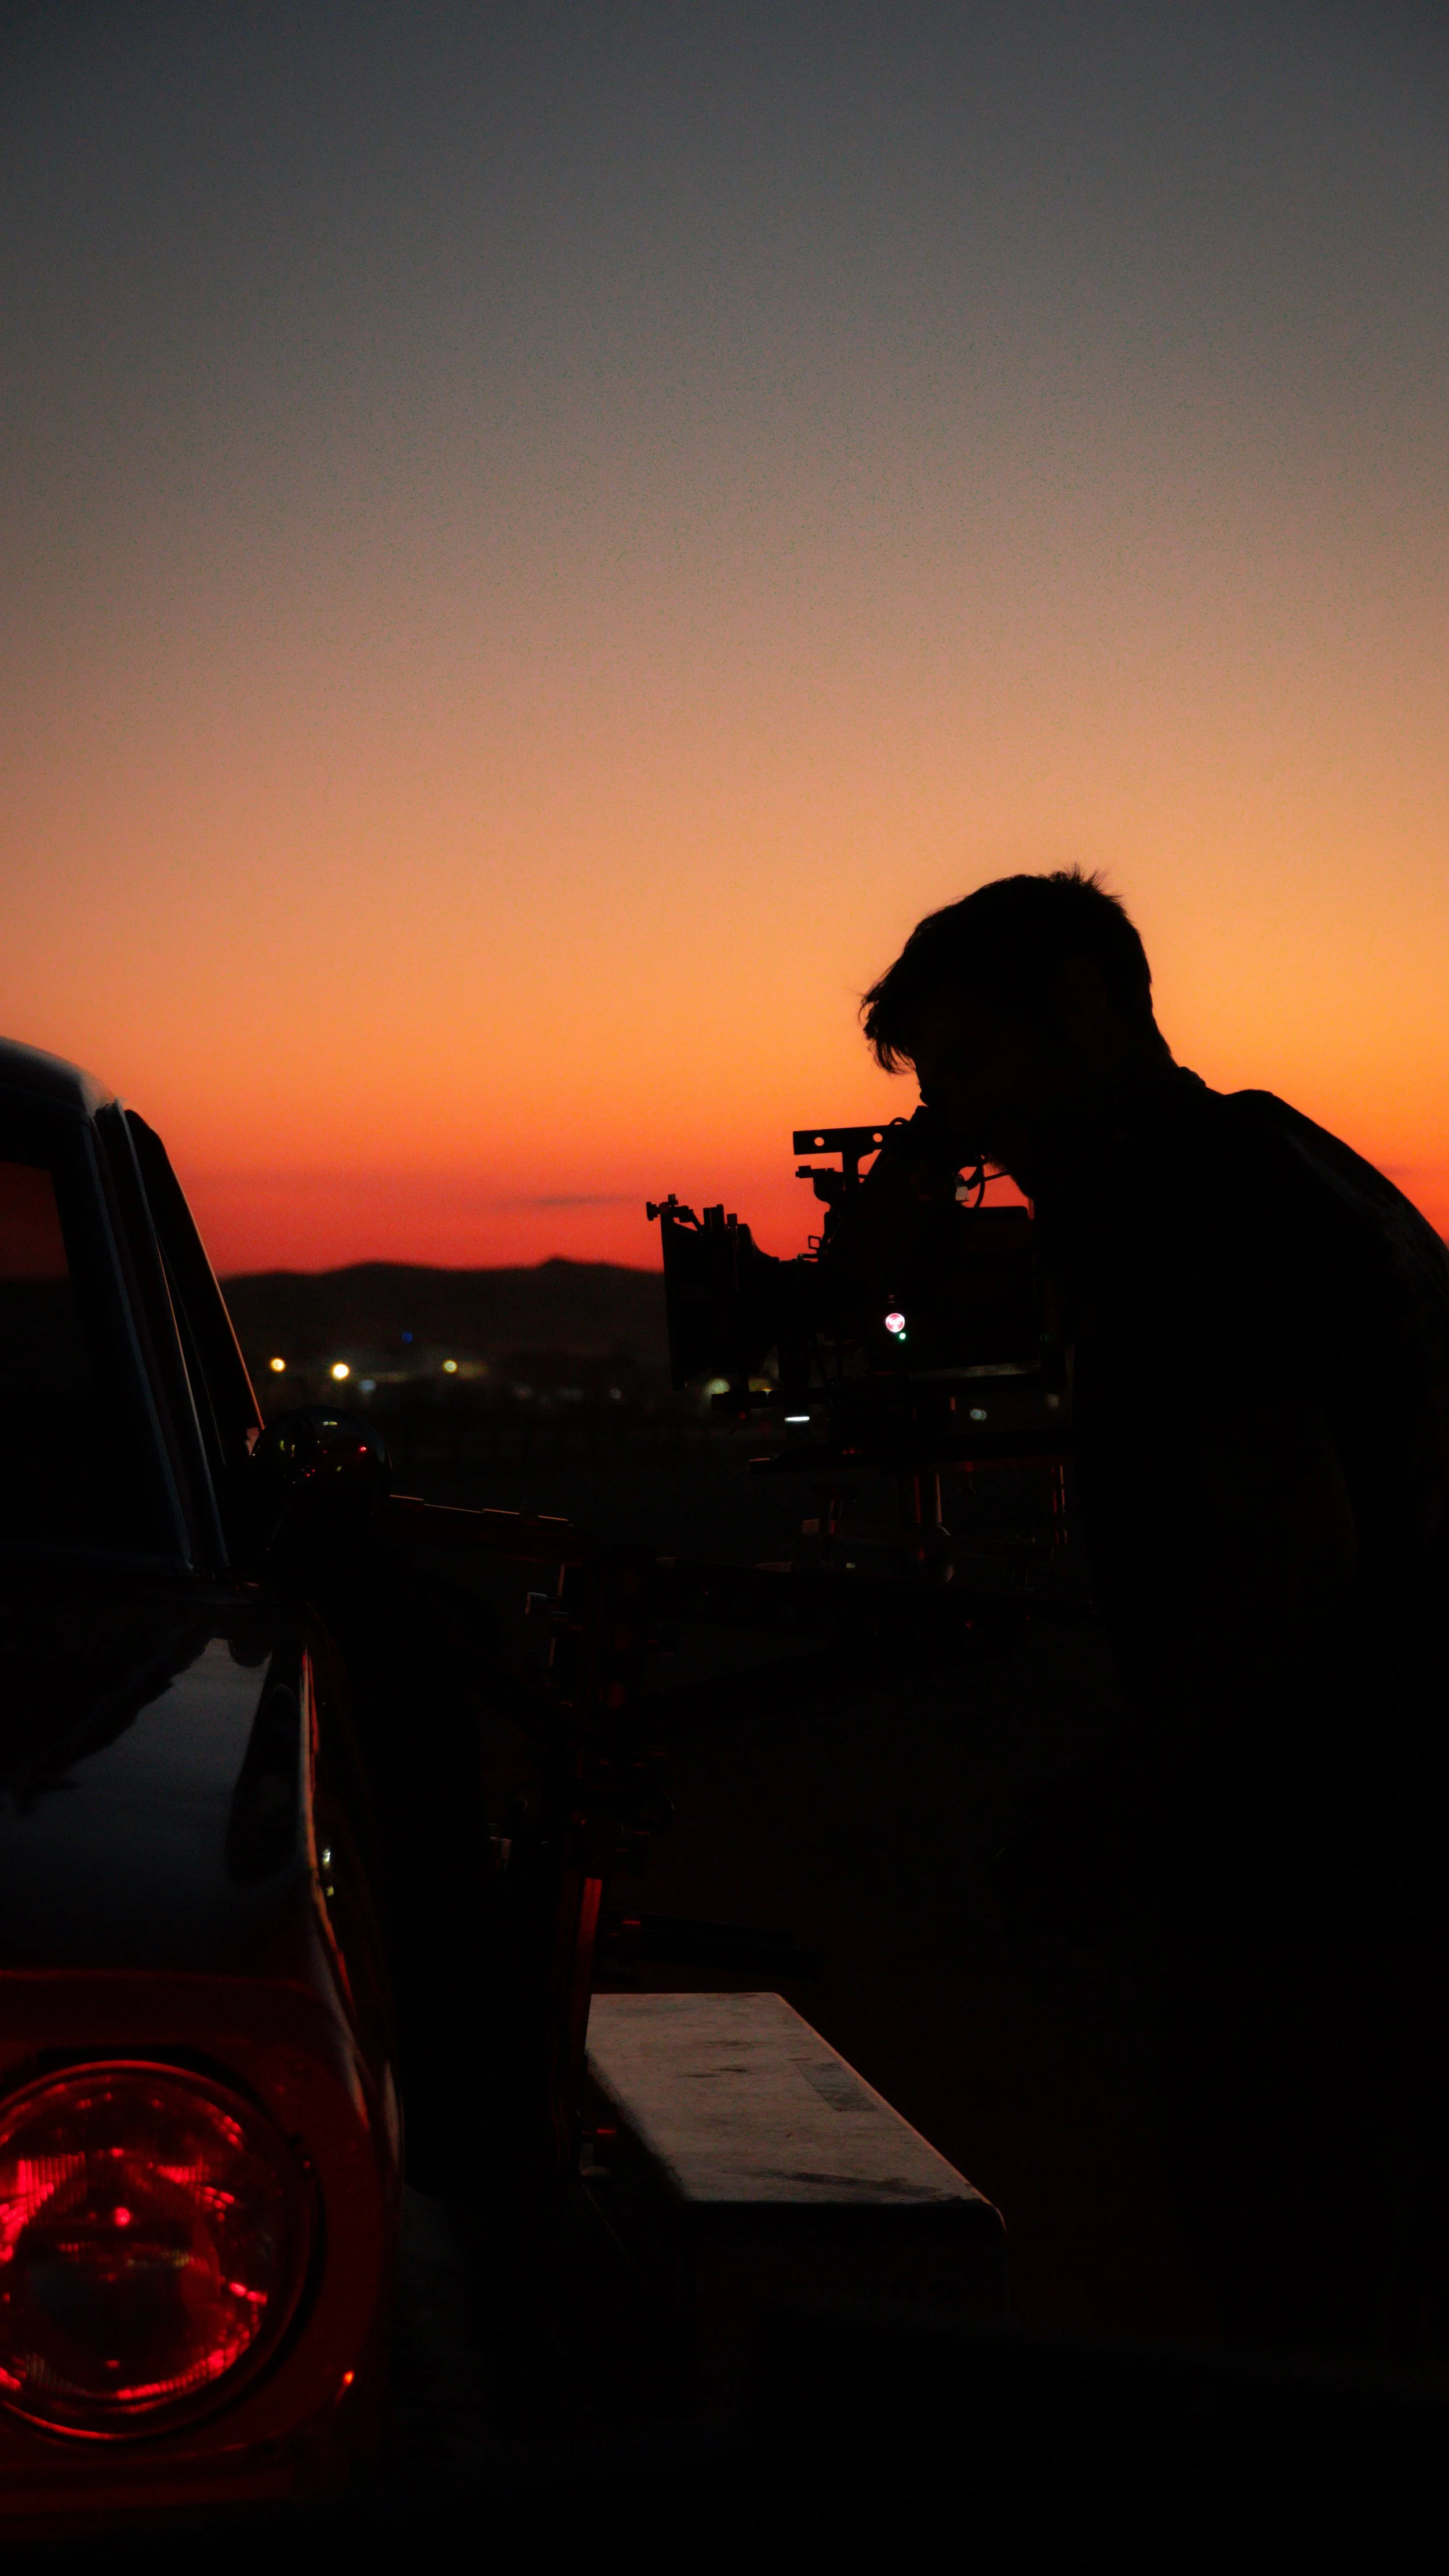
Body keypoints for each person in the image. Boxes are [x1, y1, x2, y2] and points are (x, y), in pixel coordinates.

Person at [850, 869, 1449, 2362]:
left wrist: (1117, 1800)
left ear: (1085, 1007)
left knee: (1306, 2287)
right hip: (1371, 1826)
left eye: (971, 1070)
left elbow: (1289, 1561)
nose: (960, 1125)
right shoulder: (1253, 1160)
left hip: (1346, 1849)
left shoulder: (1190, 1215)